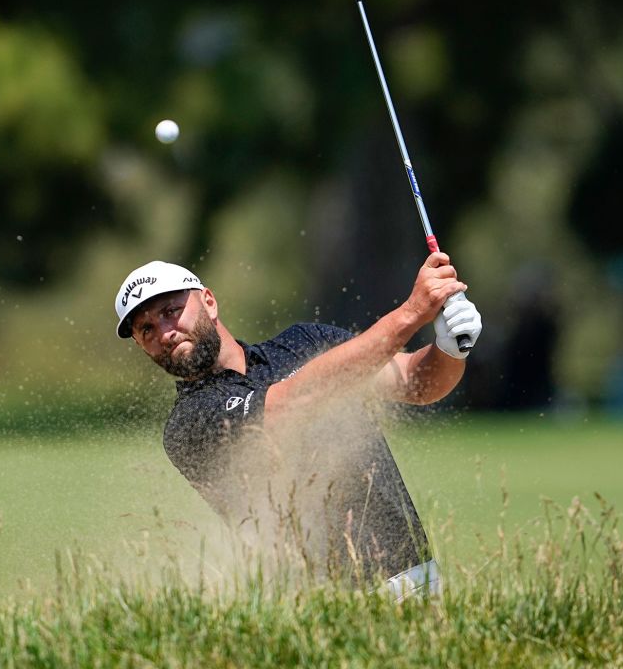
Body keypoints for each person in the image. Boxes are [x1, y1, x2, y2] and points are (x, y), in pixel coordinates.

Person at [113, 253, 482, 598]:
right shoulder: (188, 424)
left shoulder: (305, 342)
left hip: (418, 579)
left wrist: (450, 348)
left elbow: (413, 382)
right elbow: (292, 403)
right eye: (146, 329)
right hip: (330, 606)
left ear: (208, 301)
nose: (164, 332)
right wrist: (412, 312)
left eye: (171, 311)